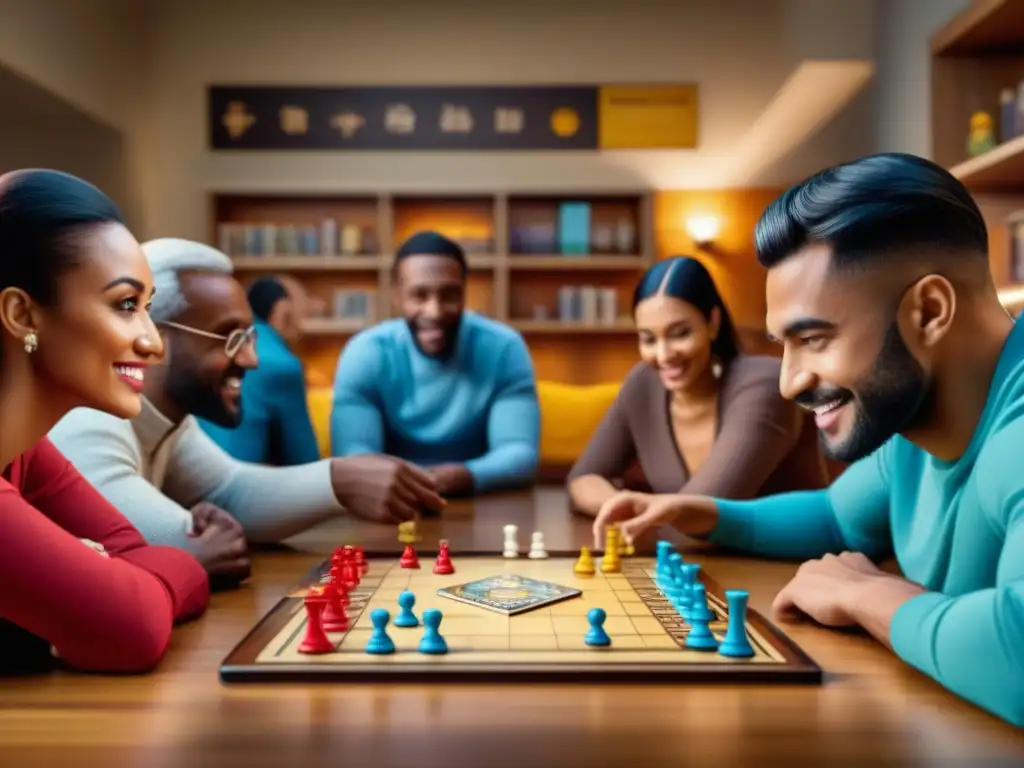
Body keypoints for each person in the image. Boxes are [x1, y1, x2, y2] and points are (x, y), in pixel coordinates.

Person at [592, 153, 1024, 726]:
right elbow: (838, 519)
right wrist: (699, 512)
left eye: (814, 339)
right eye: (783, 344)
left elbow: (1016, 655)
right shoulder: (915, 426)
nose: (789, 381)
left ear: (929, 310)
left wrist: (865, 595)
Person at [49, 238, 444, 582]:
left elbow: (230, 492)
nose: (252, 359)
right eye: (230, 337)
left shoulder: (163, 421)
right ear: (151, 337)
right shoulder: (87, 418)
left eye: (249, 336)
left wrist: (342, 479)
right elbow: (195, 547)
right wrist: (200, 545)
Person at [0, 169, 209, 674]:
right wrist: (100, 584)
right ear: (23, 315)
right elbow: (130, 629)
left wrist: (100, 577)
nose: (153, 341)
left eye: (148, 308)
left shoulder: (27, 453)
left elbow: (160, 559)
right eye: (124, 305)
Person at [567, 256, 827, 516]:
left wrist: (639, 516)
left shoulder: (764, 386)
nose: (664, 354)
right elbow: (583, 479)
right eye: (648, 339)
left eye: (680, 333)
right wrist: (624, 509)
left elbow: (700, 517)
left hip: (788, 556)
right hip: (687, 555)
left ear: (712, 324)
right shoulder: (643, 384)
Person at [330, 230, 540, 496]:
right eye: (419, 295)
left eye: (449, 294)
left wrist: (463, 476)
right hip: (389, 503)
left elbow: (520, 454)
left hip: (479, 500)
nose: (435, 311)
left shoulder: (504, 348)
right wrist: (407, 482)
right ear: (397, 295)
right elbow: (353, 453)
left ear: (465, 292)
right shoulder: (365, 353)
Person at [199, 275, 320, 466]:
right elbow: (304, 458)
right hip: (238, 484)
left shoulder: (214, 345)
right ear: (282, 311)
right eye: (302, 314)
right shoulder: (282, 366)